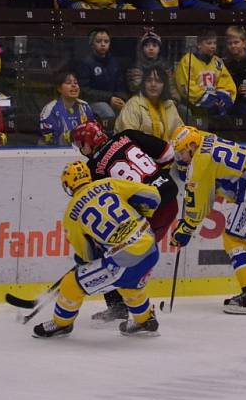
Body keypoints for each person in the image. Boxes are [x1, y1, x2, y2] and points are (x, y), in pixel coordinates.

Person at [32, 160, 161, 338]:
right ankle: (144, 320)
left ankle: (61, 324)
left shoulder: (71, 214)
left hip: (125, 258)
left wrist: (93, 256)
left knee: (71, 283)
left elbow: (87, 255)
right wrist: (142, 214)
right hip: (151, 247)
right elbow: (152, 196)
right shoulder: (109, 183)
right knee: (127, 281)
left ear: (68, 185)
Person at [169, 125, 246, 314]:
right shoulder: (205, 137)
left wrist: (184, 230)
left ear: (192, 146)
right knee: (243, 234)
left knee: (232, 238)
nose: (180, 159)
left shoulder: (200, 162)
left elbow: (198, 208)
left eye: (182, 153)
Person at [71, 120, 179, 322]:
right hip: (170, 201)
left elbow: (105, 204)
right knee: (132, 257)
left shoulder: (93, 168)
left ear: (88, 143)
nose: (81, 150)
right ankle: (135, 306)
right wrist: (156, 178)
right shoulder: (127, 135)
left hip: (148, 212)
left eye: (80, 145)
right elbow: (167, 154)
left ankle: (122, 307)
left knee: (112, 256)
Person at [174, 28, 237, 117]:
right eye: (209, 43)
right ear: (199, 45)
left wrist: (222, 98)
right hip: (193, 107)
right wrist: (210, 100)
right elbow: (186, 86)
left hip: (216, 106)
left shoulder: (217, 62)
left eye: (214, 43)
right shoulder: (188, 60)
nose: (213, 46)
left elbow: (227, 83)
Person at [115, 65, 184, 141]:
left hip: (167, 151)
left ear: (164, 86)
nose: (153, 84)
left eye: (158, 81)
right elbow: (128, 138)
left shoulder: (169, 105)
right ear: (143, 84)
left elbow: (181, 134)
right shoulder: (133, 104)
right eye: (149, 80)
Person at [77, 28, 127, 122]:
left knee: (129, 111)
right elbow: (85, 91)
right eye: (99, 41)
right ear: (92, 44)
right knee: (108, 113)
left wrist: (122, 99)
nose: (103, 44)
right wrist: (109, 98)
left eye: (106, 41)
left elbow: (120, 84)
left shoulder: (114, 62)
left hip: (113, 99)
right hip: (94, 102)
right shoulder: (86, 63)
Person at [38, 71, 96, 146]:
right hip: (58, 152)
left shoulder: (85, 106)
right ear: (59, 89)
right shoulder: (50, 109)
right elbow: (48, 139)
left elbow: (93, 131)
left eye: (76, 83)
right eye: (68, 83)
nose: (74, 85)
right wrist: (70, 136)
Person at [124, 30, 177, 100]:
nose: (151, 48)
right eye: (147, 45)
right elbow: (136, 88)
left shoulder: (165, 66)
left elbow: (171, 87)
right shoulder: (136, 66)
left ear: (159, 49)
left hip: (163, 100)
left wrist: (174, 100)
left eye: (154, 45)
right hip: (141, 100)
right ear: (142, 49)